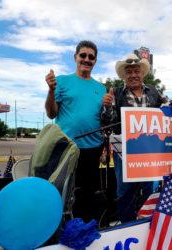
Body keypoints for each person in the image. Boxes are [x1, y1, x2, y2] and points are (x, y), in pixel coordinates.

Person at [101, 54, 169, 223]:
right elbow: (108, 121)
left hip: (150, 148)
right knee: (125, 191)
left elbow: (168, 108)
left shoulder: (154, 91)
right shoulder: (115, 93)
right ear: (124, 76)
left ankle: (147, 223)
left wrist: (167, 110)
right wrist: (108, 106)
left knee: (150, 188)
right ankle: (127, 226)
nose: (133, 75)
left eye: (136, 71)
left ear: (142, 74)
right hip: (123, 147)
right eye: (129, 72)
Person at [45, 40, 107, 222]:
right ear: (75, 57)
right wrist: (50, 91)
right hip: (66, 149)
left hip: (93, 149)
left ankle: (84, 230)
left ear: (95, 61)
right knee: (62, 192)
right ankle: (60, 229)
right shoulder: (61, 81)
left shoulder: (100, 88)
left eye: (91, 57)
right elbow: (51, 113)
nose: (87, 59)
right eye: (83, 55)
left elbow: (102, 120)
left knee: (87, 194)